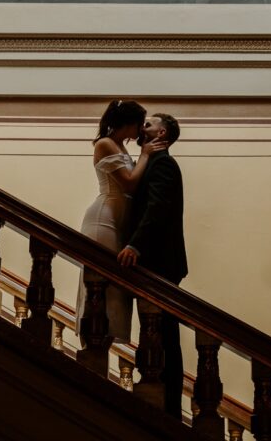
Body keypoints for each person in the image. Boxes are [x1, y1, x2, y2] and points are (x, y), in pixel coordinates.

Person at [76, 100, 167, 342]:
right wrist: (146, 155)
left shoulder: (121, 147)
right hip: (104, 218)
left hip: (120, 219)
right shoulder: (105, 144)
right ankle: (93, 337)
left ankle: (105, 338)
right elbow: (128, 182)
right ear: (130, 123)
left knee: (117, 289)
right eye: (140, 124)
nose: (141, 130)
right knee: (101, 286)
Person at [118, 113, 187, 421]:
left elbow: (157, 207)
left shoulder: (164, 165)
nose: (141, 126)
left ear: (163, 133)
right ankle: (161, 397)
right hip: (155, 260)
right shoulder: (151, 163)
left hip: (158, 260)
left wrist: (135, 244)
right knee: (155, 331)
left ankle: (168, 406)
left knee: (164, 334)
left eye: (149, 124)